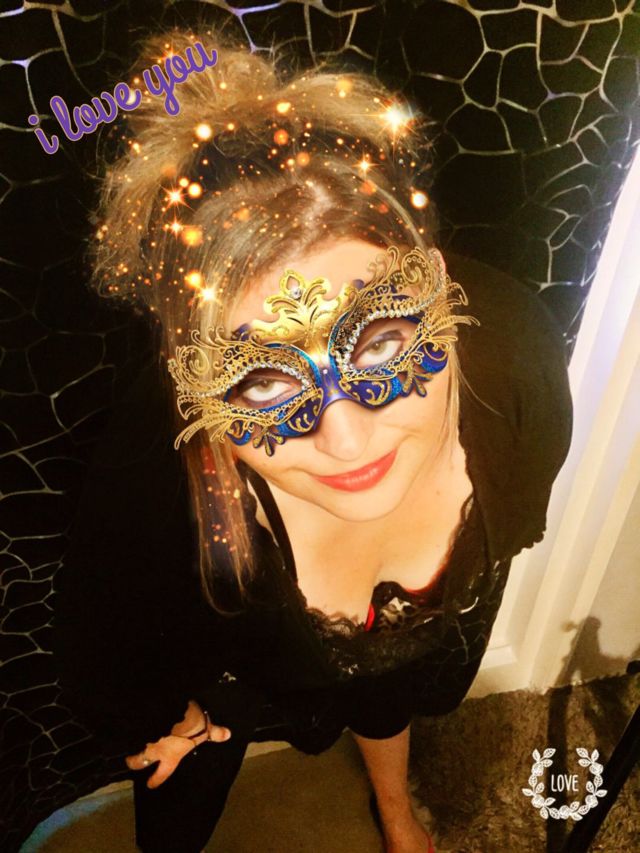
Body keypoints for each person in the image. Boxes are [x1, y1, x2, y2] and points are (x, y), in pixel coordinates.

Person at [54, 25, 573, 853]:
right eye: (264, 382)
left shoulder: (516, 368)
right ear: (191, 386)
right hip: (231, 668)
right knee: (184, 794)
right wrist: (168, 714)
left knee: (389, 684)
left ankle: (397, 810)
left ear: (439, 288)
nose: (344, 438)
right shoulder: (156, 491)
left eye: (381, 341)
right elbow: (105, 638)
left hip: (395, 653)